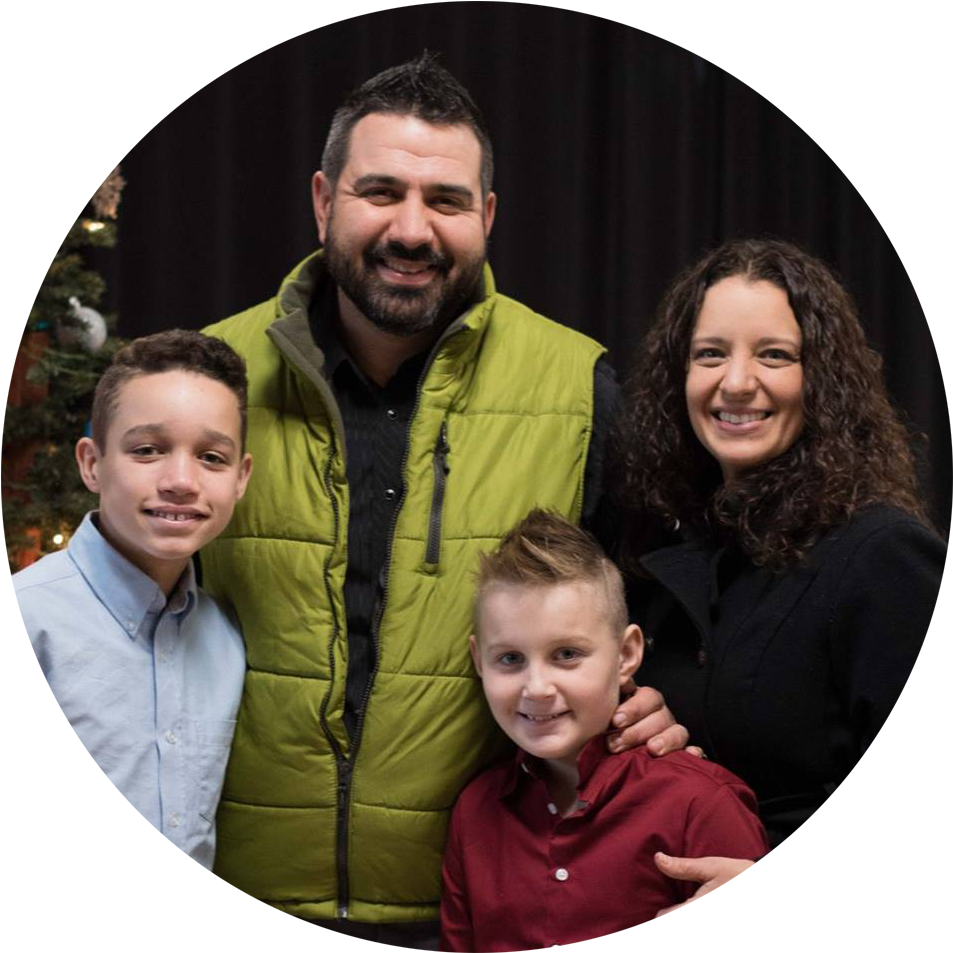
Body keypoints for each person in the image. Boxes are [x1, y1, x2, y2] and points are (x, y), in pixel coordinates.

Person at [200, 53, 688, 946]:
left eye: (447, 201)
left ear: (487, 216)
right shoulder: (212, 377)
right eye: (381, 192)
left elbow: (654, 605)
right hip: (239, 873)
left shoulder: (576, 388)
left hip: (479, 910)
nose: (412, 229)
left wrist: (657, 694)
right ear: (323, 199)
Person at [605, 237, 946, 878]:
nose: (736, 383)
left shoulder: (884, 554)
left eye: (774, 355)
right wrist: (658, 729)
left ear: (822, 381)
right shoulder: (669, 554)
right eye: (711, 354)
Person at [440, 509, 769, 950]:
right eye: (510, 659)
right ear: (479, 661)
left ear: (627, 655)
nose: (536, 688)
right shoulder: (473, 812)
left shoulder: (700, 804)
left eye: (566, 654)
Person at [15, 330, 254, 871]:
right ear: (91, 463)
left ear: (240, 479)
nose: (181, 481)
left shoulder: (226, 639)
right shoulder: (33, 619)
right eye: (147, 450)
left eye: (212, 457)